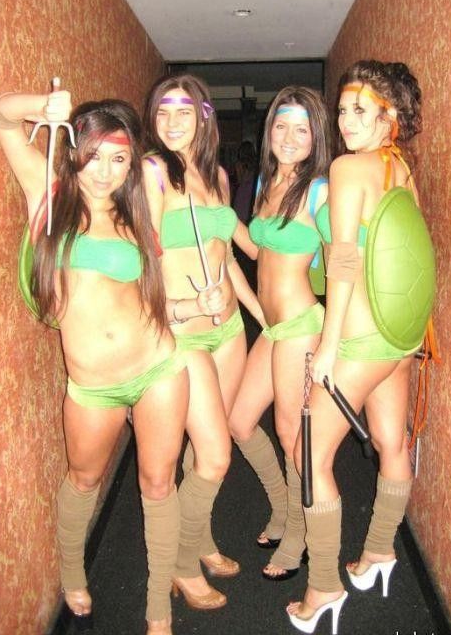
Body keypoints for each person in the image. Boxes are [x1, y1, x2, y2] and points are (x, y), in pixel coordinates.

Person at [0, 88, 223, 635]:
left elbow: (148, 303)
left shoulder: (133, 214)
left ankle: (158, 611)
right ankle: (73, 572)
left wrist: (194, 306)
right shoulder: (48, 194)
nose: (105, 171)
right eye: (94, 156)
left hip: (158, 368)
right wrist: (43, 107)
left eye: (119, 159)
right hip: (93, 385)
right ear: (74, 151)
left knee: (158, 485)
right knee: (84, 478)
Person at [287, 60, 427, 633]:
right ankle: (379, 553)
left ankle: (323, 586)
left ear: (389, 117)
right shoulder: (401, 169)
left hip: (362, 336)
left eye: (359, 111)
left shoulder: (349, 168)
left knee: (309, 455)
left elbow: (343, 259)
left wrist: (328, 345)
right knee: (393, 442)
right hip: (400, 334)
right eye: (343, 109)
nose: (345, 120)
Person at [143, 74, 264, 610]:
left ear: (204, 117)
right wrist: (187, 307)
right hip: (184, 334)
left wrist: (262, 317)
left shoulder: (215, 174)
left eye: (184, 111)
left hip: (229, 330)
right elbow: (144, 265)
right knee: (215, 457)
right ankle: (181, 563)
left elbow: (229, 256)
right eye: (162, 111)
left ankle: (200, 537)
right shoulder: (151, 173)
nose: (172, 122)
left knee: (201, 454)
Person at [230, 86, 331, 580]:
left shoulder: (320, 190)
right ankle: (282, 506)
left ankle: (299, 535)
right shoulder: (267, 182)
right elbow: (258, 250)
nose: (289, 137)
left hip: (301, 326)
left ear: (316, 137)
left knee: (292, 433)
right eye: (281, 126)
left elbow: (347, 259)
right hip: (272, 327)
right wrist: (222, 218)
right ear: (269, 129)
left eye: (301, 129)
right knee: (240, 421)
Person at [231, 139, 257, 223]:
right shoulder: (256, 164)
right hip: (252, 190)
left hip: (243, 190)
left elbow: (239, 180)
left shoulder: (239, 164)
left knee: (239, 216)